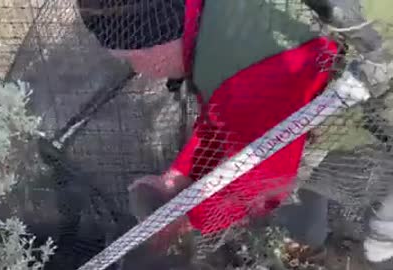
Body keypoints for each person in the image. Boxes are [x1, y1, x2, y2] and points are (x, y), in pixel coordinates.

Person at [78, 0, 391, 261]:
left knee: (377, 244)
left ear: (153, 50)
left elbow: (264, 180)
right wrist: (180, 173)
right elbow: (226, 115)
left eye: (131, 59)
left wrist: (189, 216)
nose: (136, 70)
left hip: (373, 79)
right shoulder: (214, 16)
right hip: (366, 23)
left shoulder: (244, 75)